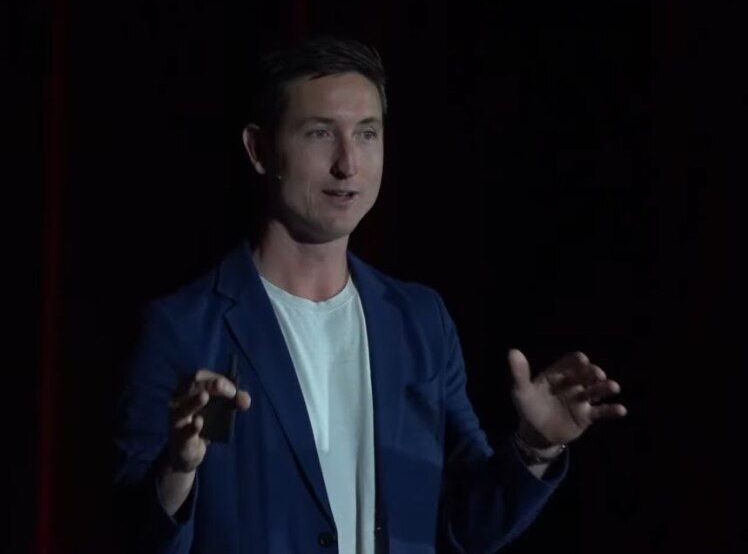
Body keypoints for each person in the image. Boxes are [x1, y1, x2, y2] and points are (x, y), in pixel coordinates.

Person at [112, 36, 628, 554]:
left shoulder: (419, 321)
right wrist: (179, 470)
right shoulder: (183, 328)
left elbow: (465, 527)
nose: (348, 164)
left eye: (366, 134)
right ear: (259, 149)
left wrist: (535, 447)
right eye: (320, 133)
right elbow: (132, 532)